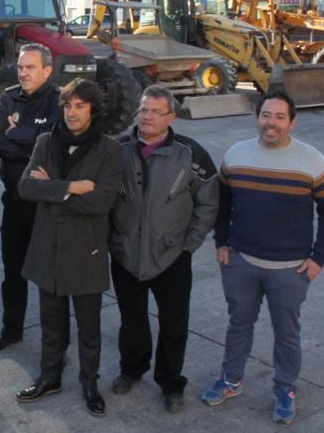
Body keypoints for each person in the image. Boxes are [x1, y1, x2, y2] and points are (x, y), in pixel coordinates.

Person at [200, 92, 324, 424]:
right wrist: (222, 242)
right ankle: (231, 380)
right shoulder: (236, 155)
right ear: (257, 118)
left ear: (292, 121)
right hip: (242, 263)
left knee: (286, 333)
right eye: (266, 115)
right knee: (239, 325)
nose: (271, 123)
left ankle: (285, 389)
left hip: (289, 269)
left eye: (279, 116)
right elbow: (223, 203)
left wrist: (319, 258)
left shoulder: (312, 161)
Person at [14, 79, 124, 417]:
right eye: (67, 105)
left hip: (86, 250)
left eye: (79, 106)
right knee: (51, 321)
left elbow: (103, 200)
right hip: (48, 247)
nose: (72, 112)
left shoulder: (110, 149)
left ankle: (89, 382)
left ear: (92, 109)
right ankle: (50, 377)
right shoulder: (46, 142)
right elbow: (25, 188)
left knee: (89, 326)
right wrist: (72, 188)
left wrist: (53, 192)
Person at [108, 85, 219, 413]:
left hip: (172, 255)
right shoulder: (118, 149)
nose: (148, 117)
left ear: (171, 117)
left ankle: (171, 383)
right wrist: (111, 239)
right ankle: (131, 369)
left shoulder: (190, 152)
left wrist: (190, 244)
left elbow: (209, 202)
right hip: (126, 253)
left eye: (156, 111)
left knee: (173, 323)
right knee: (132, 320)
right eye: (144, 110)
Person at [0, 43, 63, 352]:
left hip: (46, 208)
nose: (24, 73)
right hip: (15, 204)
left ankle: (55, 344)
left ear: (47, 70)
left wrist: (13, 134)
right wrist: (27, 144)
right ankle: (11, 329)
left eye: (31, 67)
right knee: (12, 273)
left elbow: (52, 149)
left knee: (50, 281)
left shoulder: (59, 103)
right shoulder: (8, 98)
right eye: (20, 67)